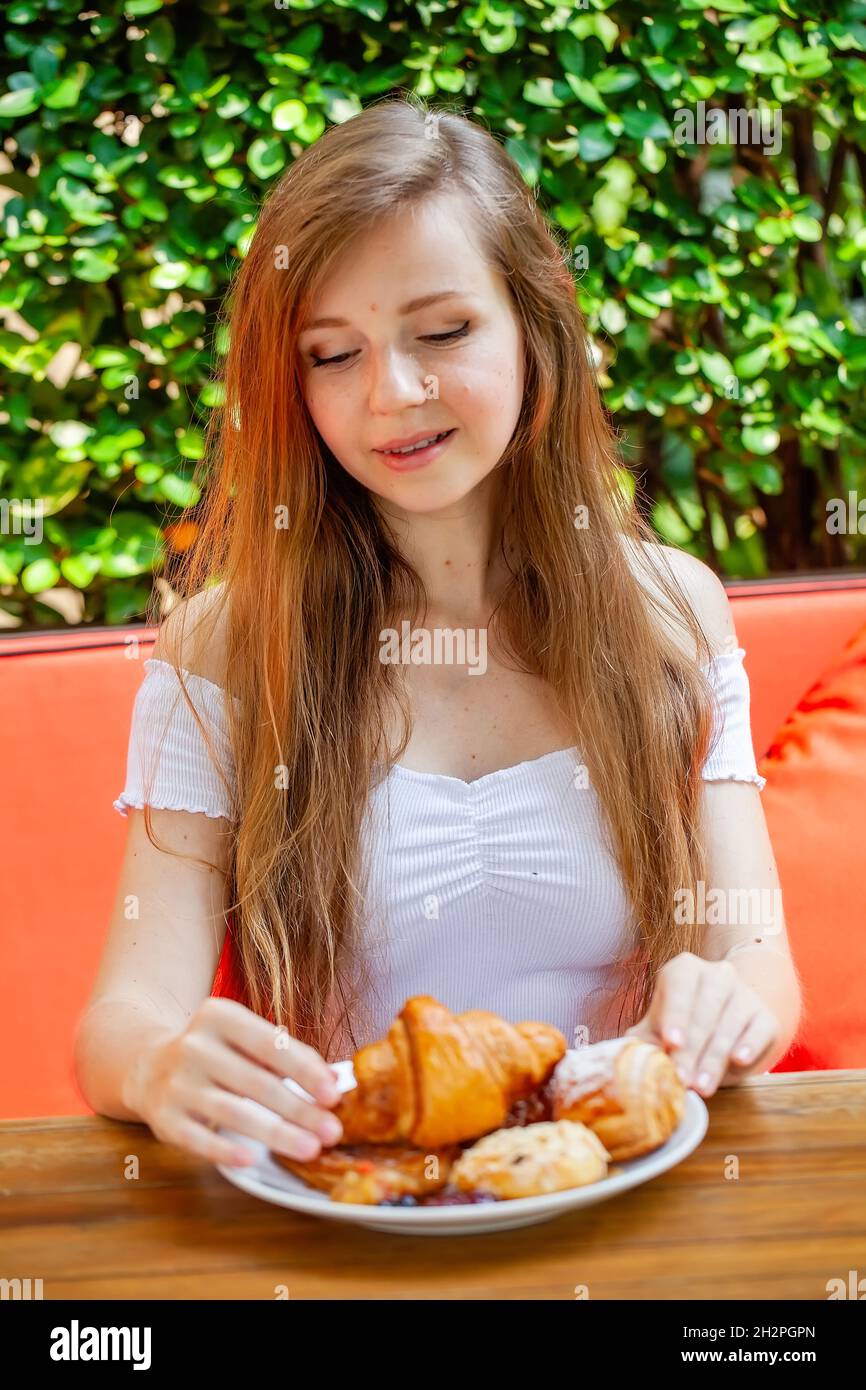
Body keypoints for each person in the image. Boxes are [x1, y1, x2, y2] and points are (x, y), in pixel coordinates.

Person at [74, 97, 802, 1172]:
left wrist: (725, 1007)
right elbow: (123, 1019)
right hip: (358, 1212)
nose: (392, 395)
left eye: (444, 332)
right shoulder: (225, 642)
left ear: (533, 327)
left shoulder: (669, 610)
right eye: (333, 353)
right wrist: (158, 1067)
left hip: (612, 1193)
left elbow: (756, 965)